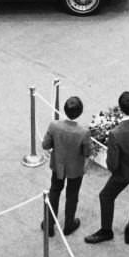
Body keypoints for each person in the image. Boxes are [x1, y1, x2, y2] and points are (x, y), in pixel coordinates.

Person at [85, 91, 129, 245]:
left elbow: (112, 163)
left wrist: (114, 169)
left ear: (120, 109)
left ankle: (106, 231)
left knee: (106, 196)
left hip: (124, 172)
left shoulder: (116, 133)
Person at [41, 96, 92, 237]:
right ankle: (69, 224)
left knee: (54, 192)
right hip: (75, 169)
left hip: (58, 166)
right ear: (80, 112)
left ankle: (49, 224)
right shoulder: (84, 132)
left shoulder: (54, 125)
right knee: (72, 195)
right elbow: (87, 152)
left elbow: (45, 145)